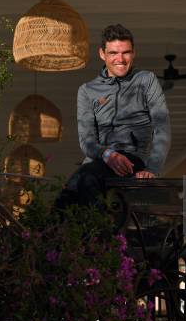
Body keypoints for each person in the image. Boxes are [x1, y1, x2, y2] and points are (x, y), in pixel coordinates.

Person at [57, 24, 171, 210]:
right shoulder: (87, 91)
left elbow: (162, 128)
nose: (120, 59)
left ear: (133, 53)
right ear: (102, 54)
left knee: (85, 179)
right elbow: (86, 140)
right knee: (67, 195)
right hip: (99, 161)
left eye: (126, 52)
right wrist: (107, 154)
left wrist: (152, 169)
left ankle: (104, 236)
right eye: (113, 53)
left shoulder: (146, 80)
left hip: (132, 159)